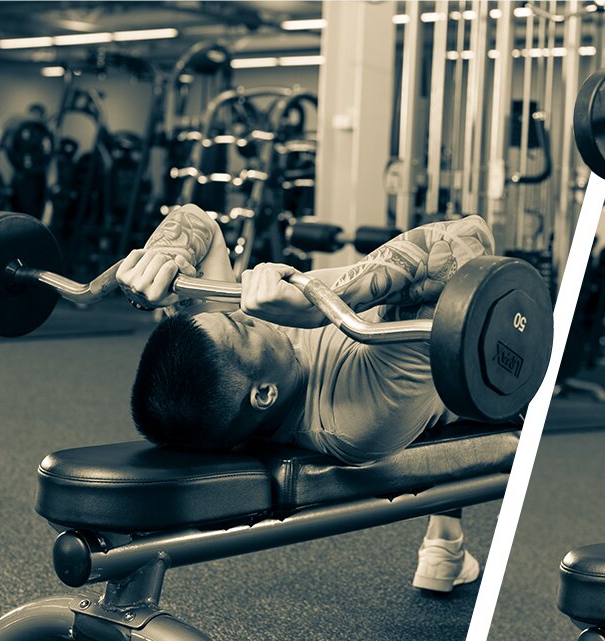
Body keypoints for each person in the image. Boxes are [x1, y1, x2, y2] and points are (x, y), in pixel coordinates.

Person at [118, 203, 496, 593]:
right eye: (244, 327)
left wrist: (163, 257)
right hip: (494, 375)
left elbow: (199, 221)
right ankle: (445, 538)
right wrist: (318, 302)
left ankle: (445, 540)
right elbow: (467, 240)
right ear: (264, 394)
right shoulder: (359, 414)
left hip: (416, 363)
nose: (244, 314)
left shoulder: (238, 365)